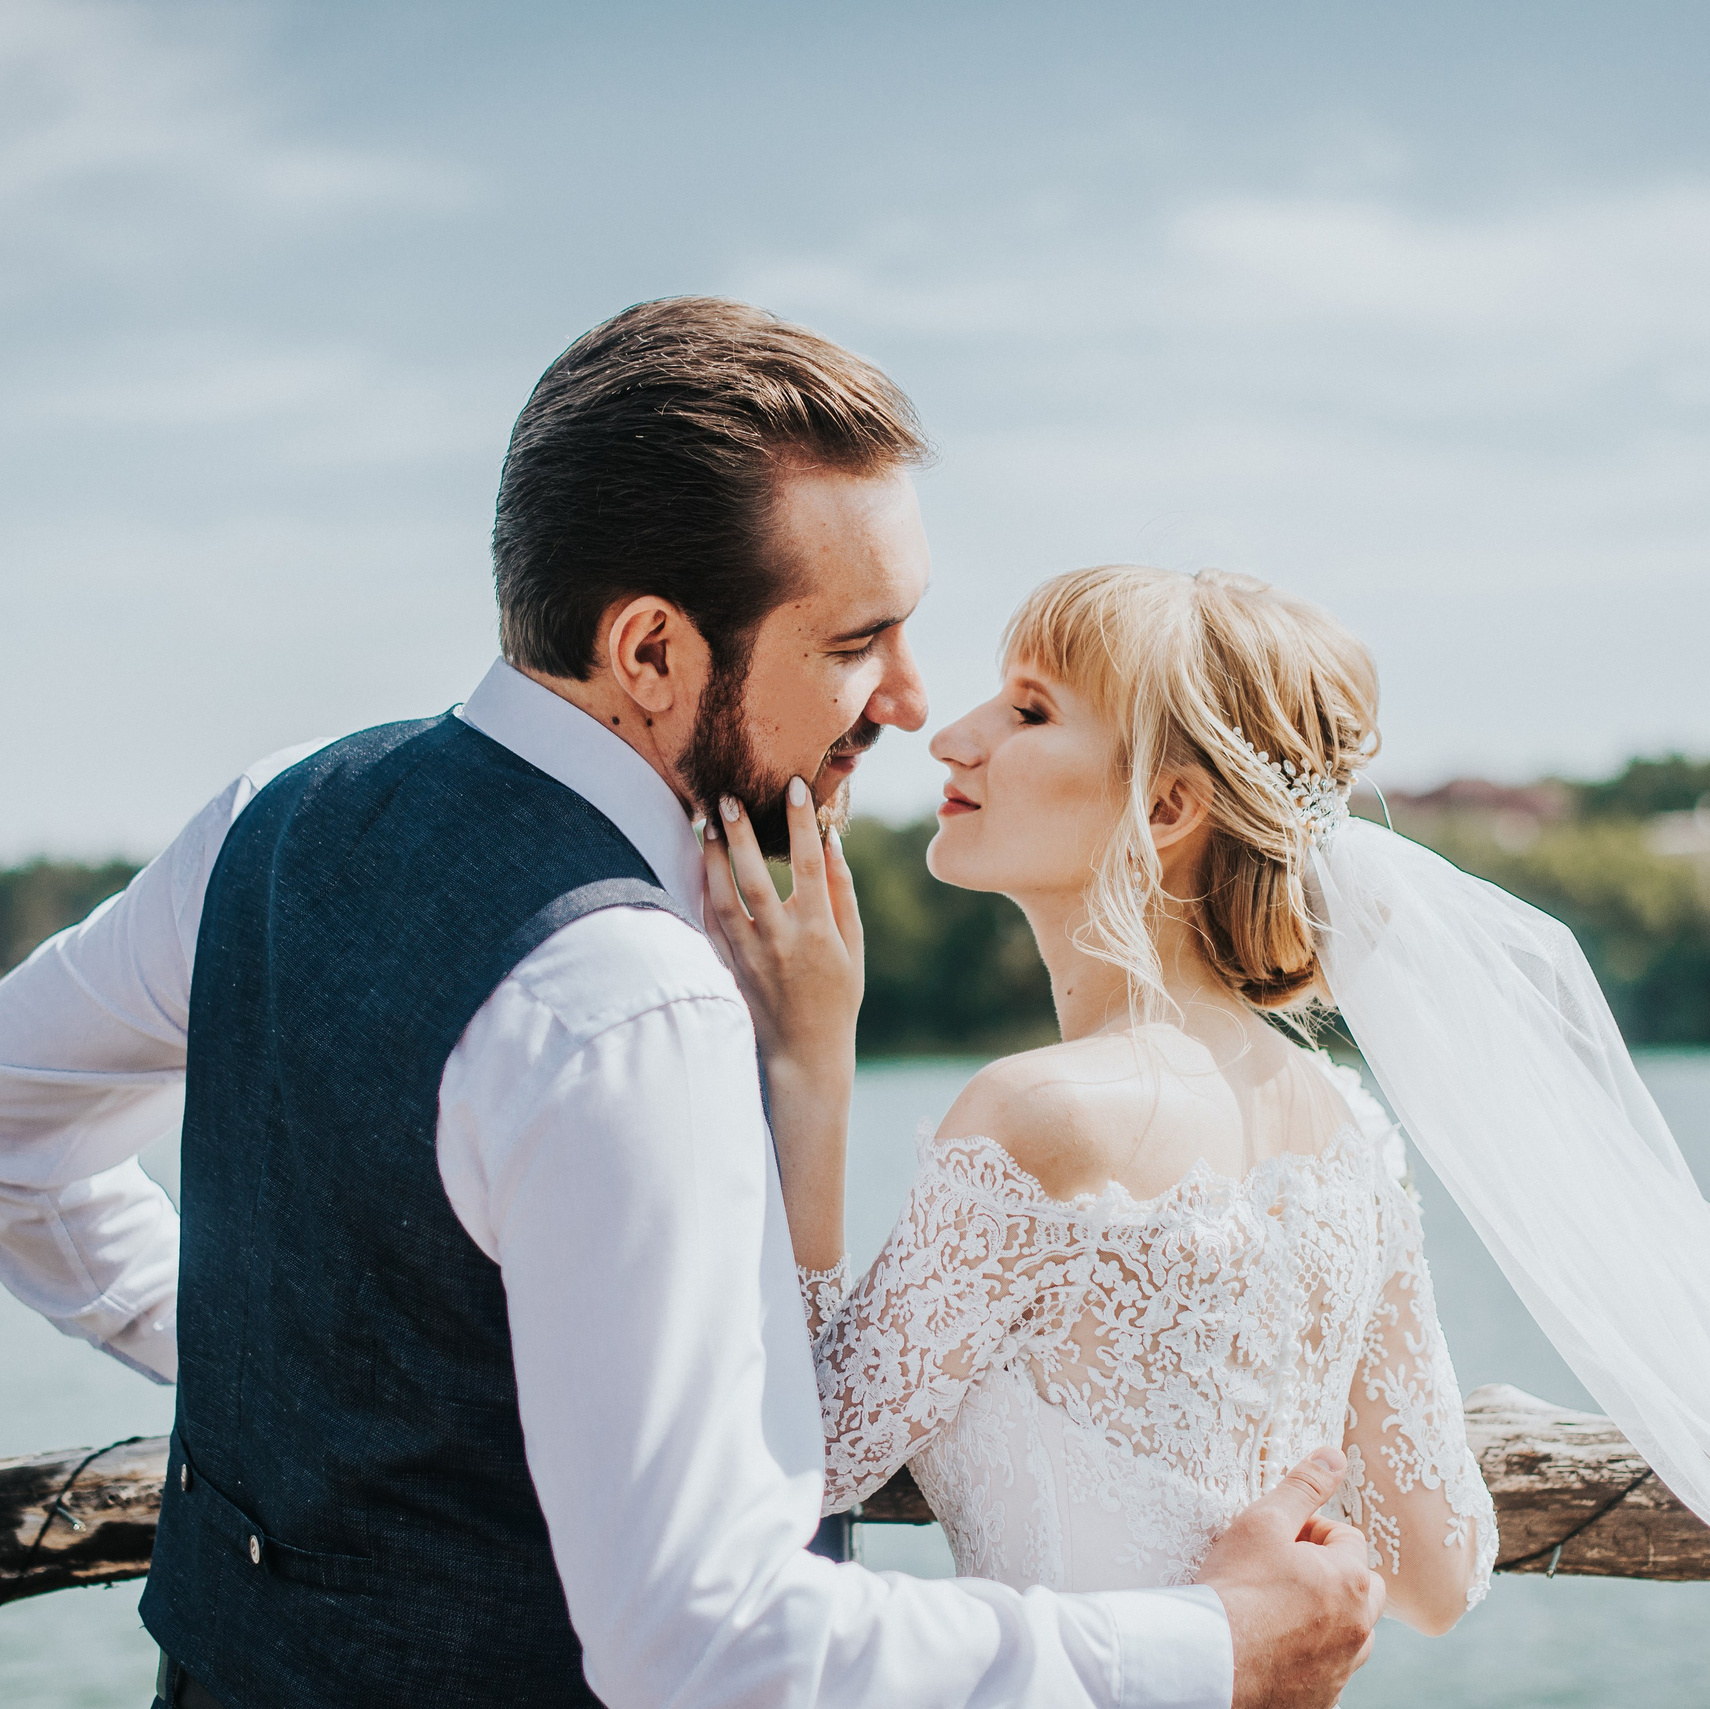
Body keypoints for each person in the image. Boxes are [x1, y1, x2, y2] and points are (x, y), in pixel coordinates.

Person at [0, 301, 1383, 1709]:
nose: (911, 701)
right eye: (858, 641)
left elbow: (11, 1121)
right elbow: (709, 1645)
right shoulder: (629, 1003)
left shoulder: (275, 809)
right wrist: (1216, 1644)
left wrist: (269, 1349)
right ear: (651, 652)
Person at [706, 565, 1497, 1634]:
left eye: (1029, 710)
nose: (952, 735)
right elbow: (1439, 1573)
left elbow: (804, 1450)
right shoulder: (1350, 1134)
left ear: (1167, 805)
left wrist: (812, 1064)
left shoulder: (1040, 1114)